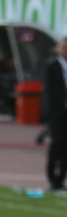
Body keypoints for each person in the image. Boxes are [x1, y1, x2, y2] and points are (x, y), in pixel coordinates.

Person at [41, 38, 67, 194]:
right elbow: (50, 88)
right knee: (57, 143)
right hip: (57, 112)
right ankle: (51, 178)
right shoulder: (52, 65)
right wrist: (63, 101)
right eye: (64, 47)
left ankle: (60, 180)